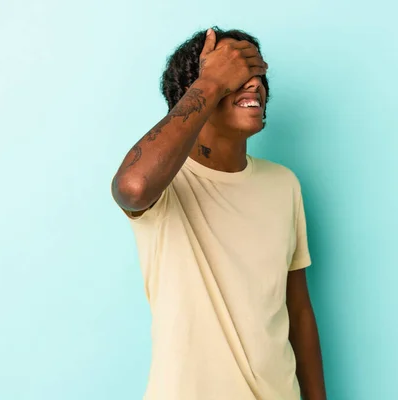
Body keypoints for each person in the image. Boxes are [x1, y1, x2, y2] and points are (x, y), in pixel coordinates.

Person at [111, 26, 327, 400]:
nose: (255, 85)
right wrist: (211, 81)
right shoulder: (167, 184)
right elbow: (132, 188)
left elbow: (299, 311)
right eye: (235, 74)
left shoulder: (284, 184)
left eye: (258, 74)